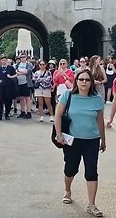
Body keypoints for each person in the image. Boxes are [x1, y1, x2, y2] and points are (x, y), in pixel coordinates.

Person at [54, 69, 105, 218]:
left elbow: (100, 121)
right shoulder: (68, 95)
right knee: (70, 169)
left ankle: (92, 204)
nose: (84, 82)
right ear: (76, 80)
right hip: (72, 140)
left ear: (91, 83)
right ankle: (67, 190)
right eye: (81, 79)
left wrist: (103, 139)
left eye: (87, 80)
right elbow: (58, 116)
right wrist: (58, 135)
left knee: (91, 171)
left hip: (92, 140)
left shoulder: (97, 98)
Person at [0, 55, 17, 121]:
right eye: (2, 60)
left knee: (8, 101)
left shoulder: (10, 68)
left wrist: (10, 77)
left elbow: (15, 74)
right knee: (1, 101)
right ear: (1, 61)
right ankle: (0, 116)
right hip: (1, 86)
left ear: (7, 61)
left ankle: (7, 114)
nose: (4, 62)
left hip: (9, 86)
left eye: (5, 60)